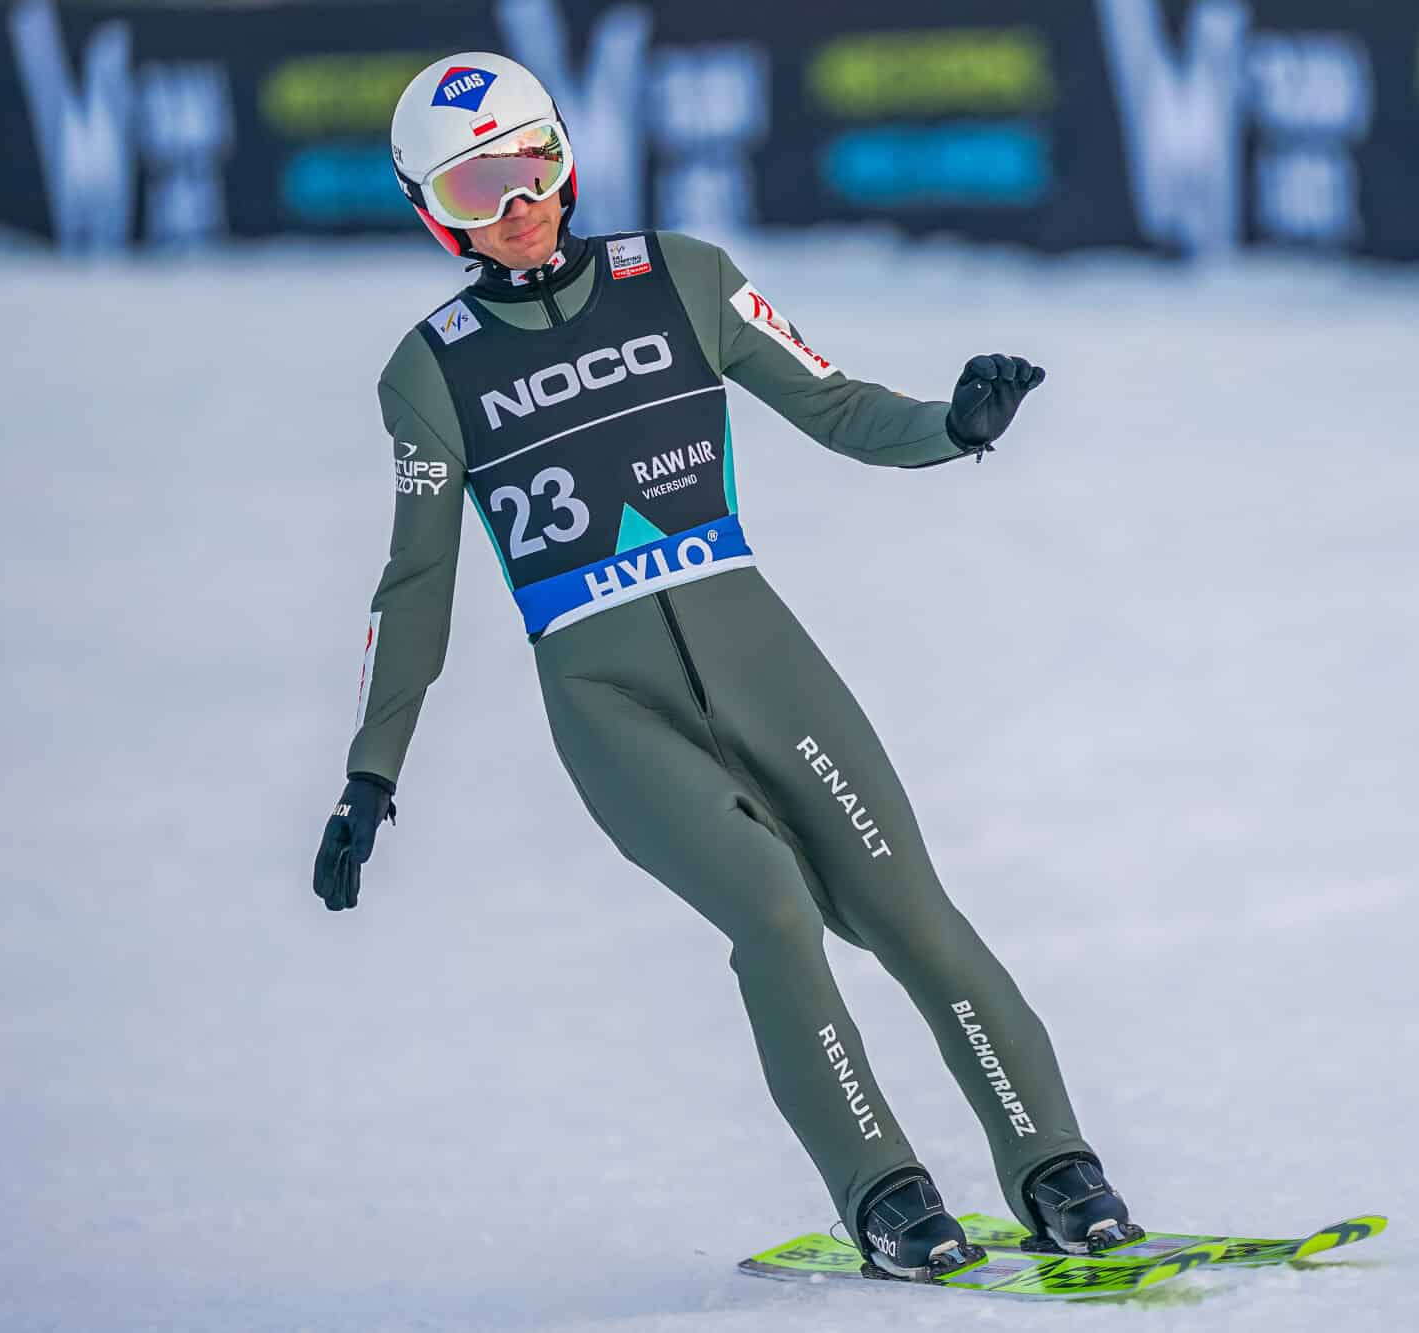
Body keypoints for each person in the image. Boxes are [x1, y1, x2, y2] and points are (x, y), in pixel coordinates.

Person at [312, 51, 1139, 1281]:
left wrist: (951, 426)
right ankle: (886, 1191)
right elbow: (415, 585)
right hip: (607, 701)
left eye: (531, 164)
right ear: (435, 213)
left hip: (760, 654)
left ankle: (1054, 1166)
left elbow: (839, 406)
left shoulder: (682, 278)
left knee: (903, 908)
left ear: (566, 158)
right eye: (478, 187)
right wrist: (370, 776)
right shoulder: (427, 370)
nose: (518, 202)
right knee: (767, 903)